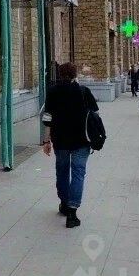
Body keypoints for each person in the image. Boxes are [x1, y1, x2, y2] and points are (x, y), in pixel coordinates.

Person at [41, 62, 99, 229]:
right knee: (78, 173)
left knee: (62, 171)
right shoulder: (84, 91)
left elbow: (47, 118)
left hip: (60, 141)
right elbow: (95, 115)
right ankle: (72, 213)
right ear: (75, 75)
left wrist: (46, 141)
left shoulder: (53, 92)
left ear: (60, 75)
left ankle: (64, 203)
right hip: (82, 141)